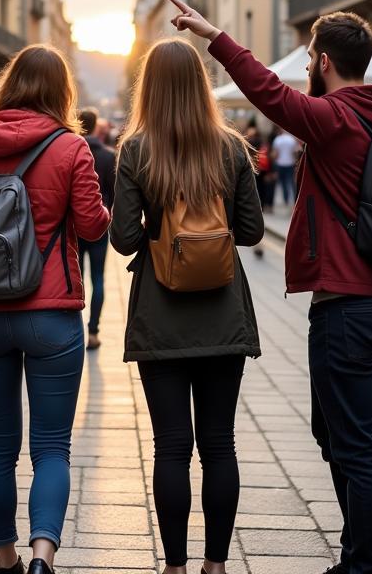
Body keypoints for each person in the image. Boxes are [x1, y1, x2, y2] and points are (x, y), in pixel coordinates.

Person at [170, 0, 372, 574]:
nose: (307, 66)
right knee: (338, 432)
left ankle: (365, 567)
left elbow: (269, 94)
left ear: (324, 60)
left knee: (356, 445)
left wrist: (215, 35)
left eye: (309, 57)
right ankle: (356, 556)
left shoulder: (334, 118)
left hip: (349, 306)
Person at [0, 45, 110, 574]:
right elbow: (95, 226)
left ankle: (4, 559)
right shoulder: (70, 147)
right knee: (52, 445)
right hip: (51, 311)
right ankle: (42, 556)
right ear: (61, 91)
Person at [110, 39, 264, 574]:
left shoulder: (136, 150)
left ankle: (174, 566)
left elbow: (125, 240)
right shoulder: (230, 146)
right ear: (202, 84)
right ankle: (216, 565)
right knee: (220, 443)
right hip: (223, 309)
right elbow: (251, 230)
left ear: (148, 87)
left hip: (161, 313)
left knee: (171, 446)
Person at [78, 106, 116, 351]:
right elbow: (114, 195)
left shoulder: (70, 151)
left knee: (75, 279)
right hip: (101, 226)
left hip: (75, 228)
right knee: (99, 278)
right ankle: (93, 331)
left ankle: (75, 328)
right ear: (96, 127)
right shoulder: (108, 156)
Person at [271, 125, 300, 205]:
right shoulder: (292, 140)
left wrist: (273, 163)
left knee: (283, 182)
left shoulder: (277, 139)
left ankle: (286, 198)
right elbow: (295, 152)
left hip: (280, 163)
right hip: (290, 163)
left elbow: (275, 154)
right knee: (291, 181)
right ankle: (295, 198)